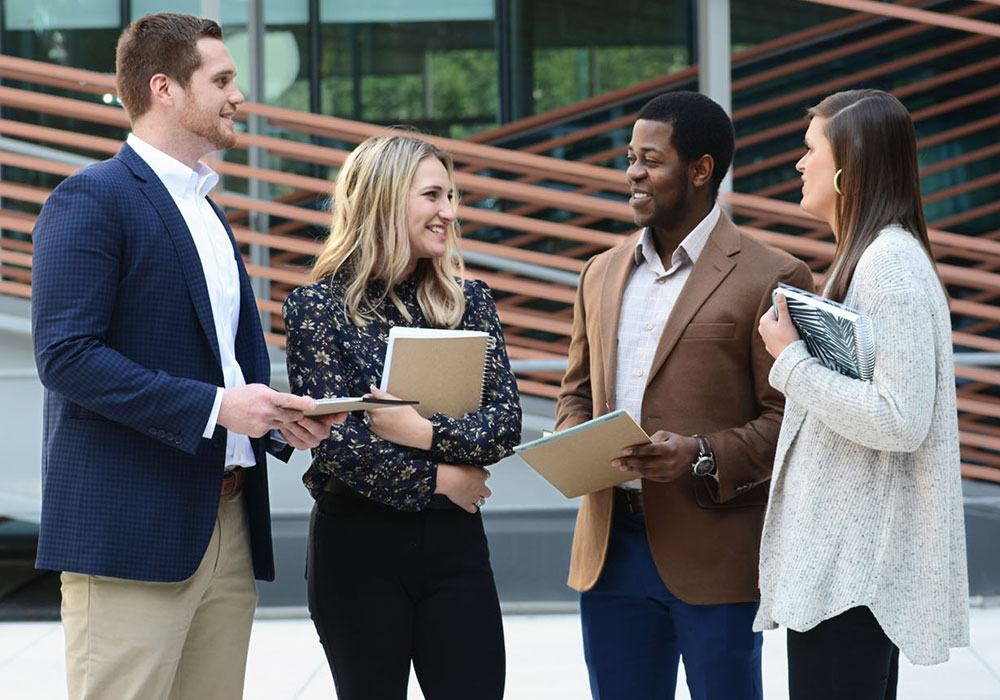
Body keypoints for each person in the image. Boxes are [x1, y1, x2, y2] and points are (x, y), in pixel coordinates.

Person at [30, 14, 344, 700]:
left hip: (226, 523)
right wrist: (215, 407)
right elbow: (66, 355)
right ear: (165, 88)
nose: (239, 96)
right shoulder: (91, 199)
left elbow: (219, 364)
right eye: (223, 80)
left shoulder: (206, 208)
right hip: (132, 537)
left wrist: (272, 415)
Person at [556, 91, 814, 700]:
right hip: (609, 554)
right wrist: (573, 442)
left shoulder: (774, 276)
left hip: (714, 553)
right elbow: (577, 391)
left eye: (650, 159)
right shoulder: (599, 270)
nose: (632, 174)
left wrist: (699, 453)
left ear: (700, 170)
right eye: (630, 158)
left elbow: (794, 421)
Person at [282, 133, 522, 700]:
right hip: (357, 547)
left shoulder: (471, 302)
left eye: (451, 195)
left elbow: (506, 422)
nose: (449, 211)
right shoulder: (317, 309)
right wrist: (445, 476)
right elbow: (342, 446)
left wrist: (424, 433)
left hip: (455, 544)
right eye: (433, 195)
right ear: (386, 200)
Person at [755, 89, 969, 699]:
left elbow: (901, 419)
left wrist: (790, 360)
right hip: (846, 572)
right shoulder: (872, 256)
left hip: (851, 578)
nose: (799, 165)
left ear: (848, 166)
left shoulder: (888, 266)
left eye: (810, 150)